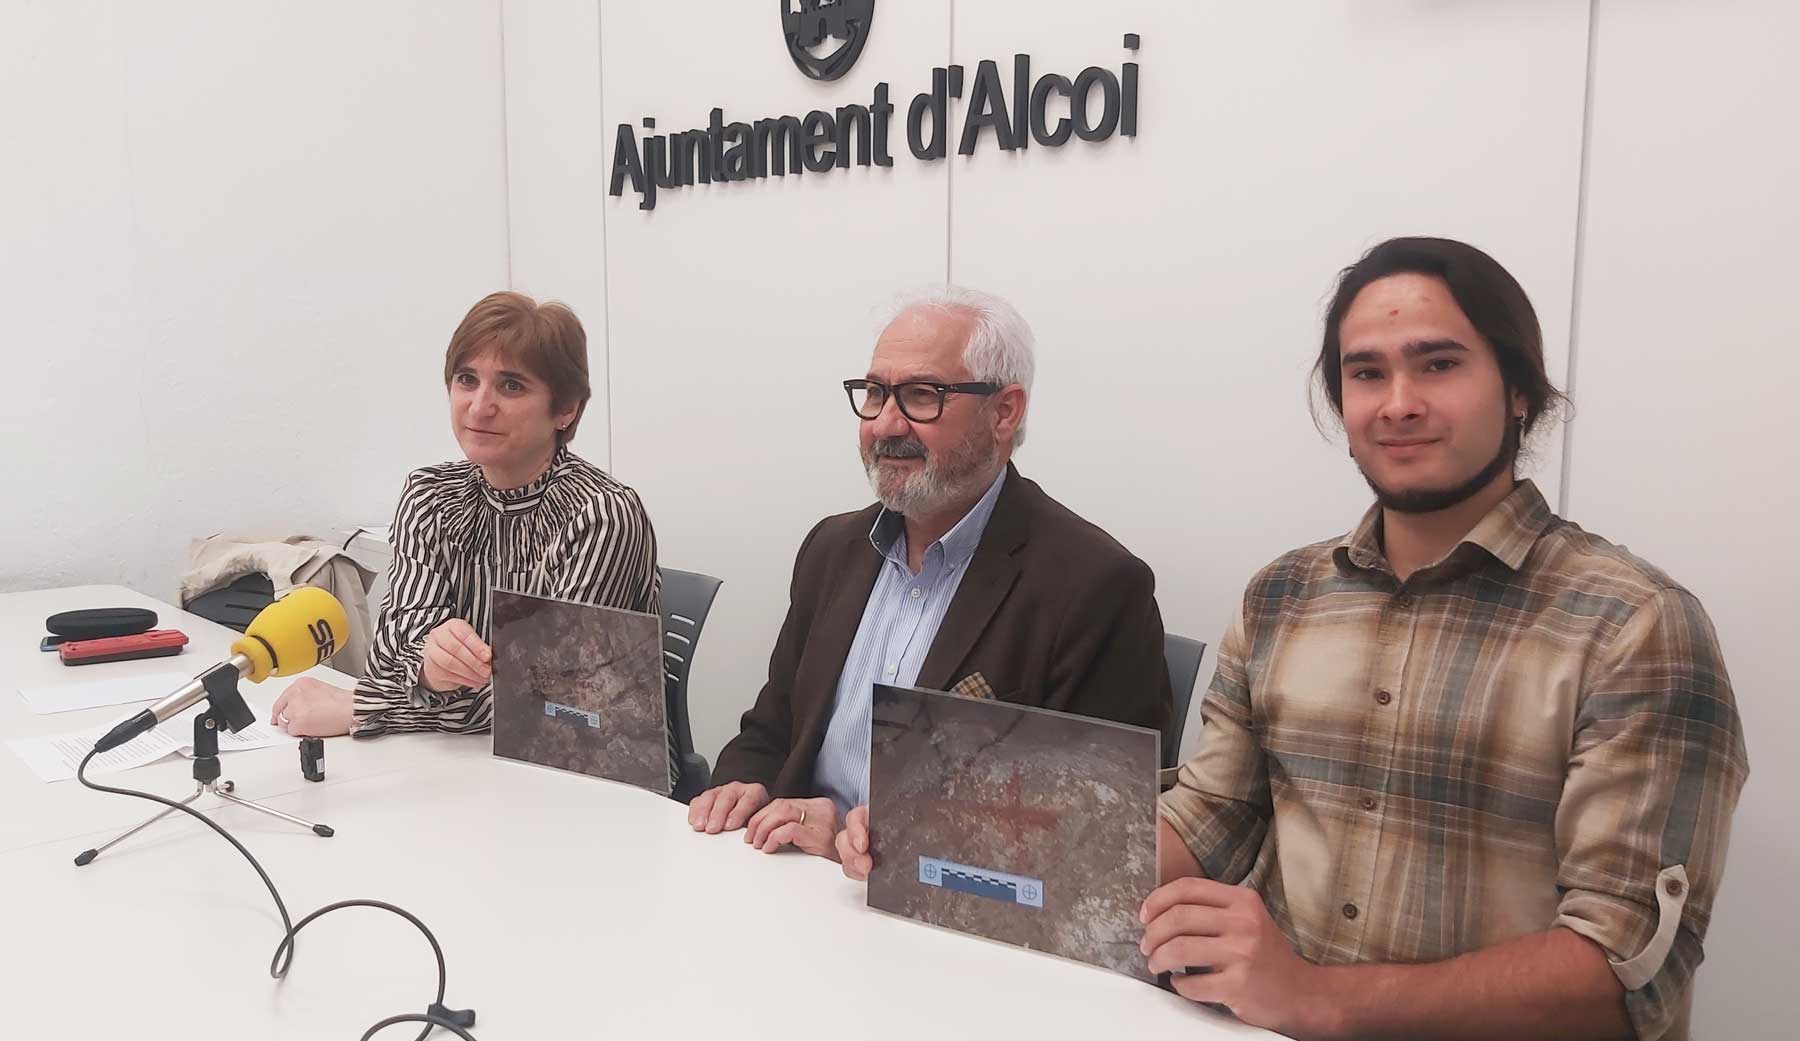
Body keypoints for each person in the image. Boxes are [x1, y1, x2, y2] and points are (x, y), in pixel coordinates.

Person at [1146, 237, 1747, 1041]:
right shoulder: (1283, 596)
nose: (1398, 403)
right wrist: (1023, 858)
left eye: (1438, 364)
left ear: (1521, 391)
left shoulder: (1634, 625)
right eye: (1366, 373)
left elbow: (1627, 966)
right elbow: (1211, 815)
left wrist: (1320, 998)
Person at [688, 284, 1174, 863]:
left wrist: (864, 836)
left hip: (950, 923)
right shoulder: (832, 549)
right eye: (874, 393)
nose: (886, 424)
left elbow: (1090, 837)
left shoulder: (1094, 588)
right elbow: (772, 727)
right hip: (793, 886)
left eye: (922, 395)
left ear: (1004, 411)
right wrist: (746, 783)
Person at [271, 291, 660, 741]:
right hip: (456, 758)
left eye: (512, 385)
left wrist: (366, 706)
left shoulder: (601, 514)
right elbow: (388, 656)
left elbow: (552, 704)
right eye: (467, 379)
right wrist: (430, 671)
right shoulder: (430, 495)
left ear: (566, 408)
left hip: (589, 775)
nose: (479, 407)